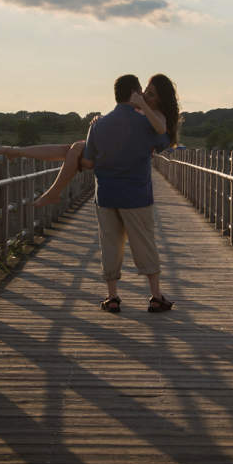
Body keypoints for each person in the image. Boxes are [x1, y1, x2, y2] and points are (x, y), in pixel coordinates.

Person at [0, 73, 180, 208]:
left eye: (150, 94)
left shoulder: (155, 112)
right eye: (145, 91)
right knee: (70, 149)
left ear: (162, 99)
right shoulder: (142, 108)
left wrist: (140, 105)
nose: (144, 95)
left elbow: (160, 129)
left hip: (121, 154)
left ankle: (51, 191)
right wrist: (100, 121)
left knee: (72, 149)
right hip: (117, 149)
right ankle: (14, 152)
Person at [81, 74, 175, 313]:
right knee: (145, 243)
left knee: (110, 245)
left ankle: (112, 298)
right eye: (141, 91)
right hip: (136, 195)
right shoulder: (146, 123)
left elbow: (89, 163)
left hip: (106, 195)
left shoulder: (97, 125)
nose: (143, 95)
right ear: (133, 92)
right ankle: (155, 297)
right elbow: (164, 141)